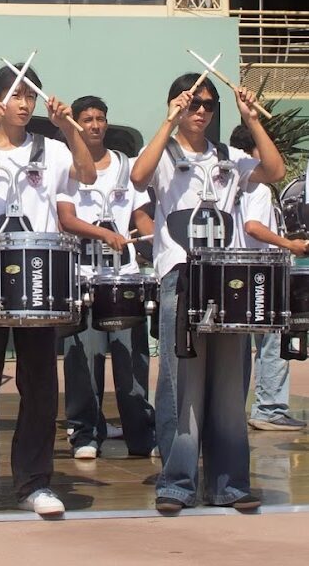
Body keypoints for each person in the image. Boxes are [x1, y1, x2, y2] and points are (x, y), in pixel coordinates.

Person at [0, 63, 96, 519]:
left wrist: (68, 125)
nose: (25, 104)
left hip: (38, 285)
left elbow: (85, 174)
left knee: (40, 385)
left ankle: (34, 482)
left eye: (30, 96)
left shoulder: (49, 149)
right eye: (15, 95)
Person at [131, 74, 285, 514]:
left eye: (209, 105)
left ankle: (230, 483)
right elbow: (140, 176)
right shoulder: (164, 155)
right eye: (194, 103)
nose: (201, 111)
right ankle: (178, 482)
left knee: (228, 385)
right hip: (181, 275)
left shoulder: (229, 157)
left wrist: (251, 120)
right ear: (177, 105)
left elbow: (274, 172)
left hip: (227, 278)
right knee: (183, 385)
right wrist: (168, 121)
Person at [57, 96, 156, 459]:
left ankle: (141, 434)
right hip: (82, 277)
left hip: (123, 275)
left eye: (101, 118)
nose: (95, 125)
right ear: (77, 124)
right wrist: (102, 234)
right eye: (88, 119)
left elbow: (141, 216)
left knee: (132, 360)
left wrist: (158, 237)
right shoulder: (66, 168)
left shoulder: (126, 167)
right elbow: (65, 218)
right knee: (84, 358)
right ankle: (85, 432)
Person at [230, 123, 308, 431]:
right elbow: (253, 226)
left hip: (244, 270)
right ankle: (270, 407)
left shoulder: (234, 184)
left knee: (243, 344)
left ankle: (237, 407)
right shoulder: (258, 187)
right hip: (263, 270)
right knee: (274, 340)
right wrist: (291, 244)